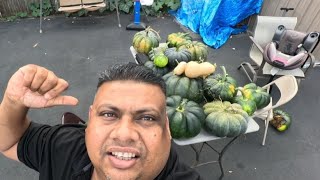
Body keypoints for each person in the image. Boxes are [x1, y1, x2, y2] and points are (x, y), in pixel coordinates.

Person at [0, 63, 203, 180]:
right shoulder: (65, 146)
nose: (124, 134)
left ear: (167, 129)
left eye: (147, 118)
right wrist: (12, 102)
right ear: (89, 122)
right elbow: (8, 142)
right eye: (108, 114)